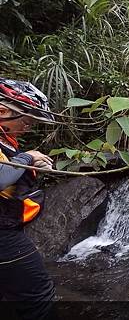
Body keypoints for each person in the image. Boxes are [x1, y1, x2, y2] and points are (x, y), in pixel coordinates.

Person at [0, 78, 56, 319]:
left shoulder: (5, 142)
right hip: (4, 237)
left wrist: (32, 164)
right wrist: (26, 159)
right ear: (3, 111)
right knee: (38, 296)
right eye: (27, 121)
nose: (28, 127)